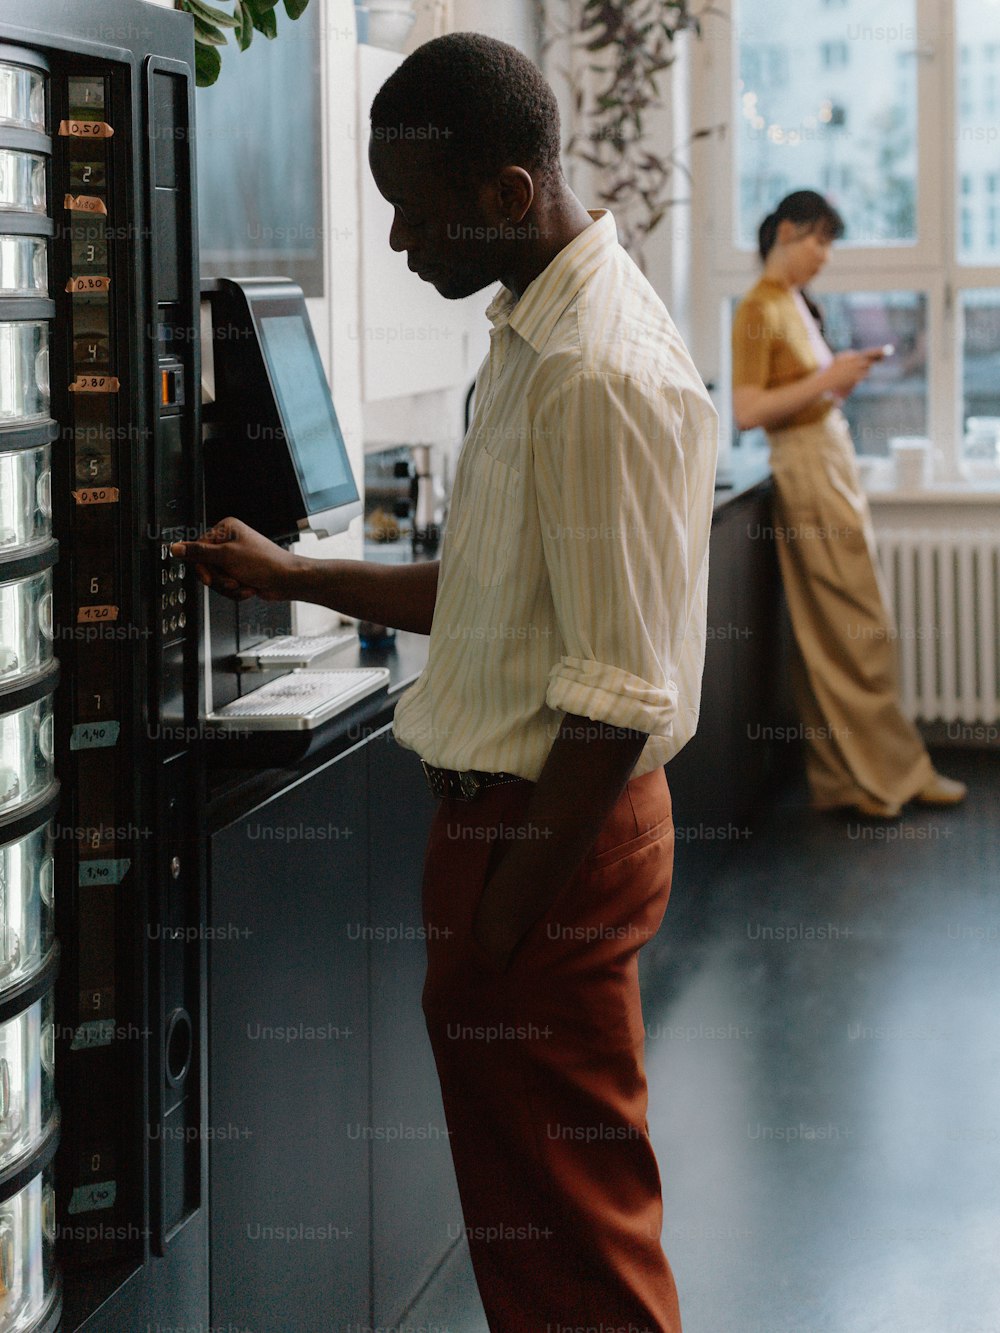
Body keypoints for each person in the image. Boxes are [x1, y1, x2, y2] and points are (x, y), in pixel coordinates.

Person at [172, 33, 718, 1332]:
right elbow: (490, 592)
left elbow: (617, 697)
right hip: (517, 839)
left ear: (508, 197)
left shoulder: (594, 366)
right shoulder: (536, 334)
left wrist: (494, 934)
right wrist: (294, 575)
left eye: (415, 218)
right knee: (536, 1234)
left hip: (545, 844)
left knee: (578, 1244)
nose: (404, 247)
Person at [731, 189, 966, 819]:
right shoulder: (758, 307)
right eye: (820, 240)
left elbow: (801, 391)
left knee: (848, 631)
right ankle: (879, 778)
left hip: (827, 466)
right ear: (786, 230)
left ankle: (860, 775)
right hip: (807, 471)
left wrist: (834, 377)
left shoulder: (793, 304)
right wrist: (829, 379)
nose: (825, 256)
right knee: (849, 634)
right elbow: (748, 410)